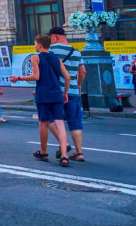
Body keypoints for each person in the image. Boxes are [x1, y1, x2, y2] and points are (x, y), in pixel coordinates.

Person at [11, 34, 71, 167]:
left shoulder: (35, 57)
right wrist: (65, 93)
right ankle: (64, 155)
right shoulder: (57, 58)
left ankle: (44, 152)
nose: (34, 45)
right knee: (60, 124)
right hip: (56, 93)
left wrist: (18, 78)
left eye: (34, 43)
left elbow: (36, 76)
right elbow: (67, 78)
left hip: (43, 94)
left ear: (39, 44)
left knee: (43, 123)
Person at [48, 27, 86, 162]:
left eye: (50, 37)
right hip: (74, 91)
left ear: (55, 37)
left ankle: (64, 143)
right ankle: (79, 152)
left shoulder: (52, 49)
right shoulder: (76, 51)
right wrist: (79, 84)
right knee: (75, 121)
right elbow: (83, 72)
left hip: (57, 91)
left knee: (49, 118)